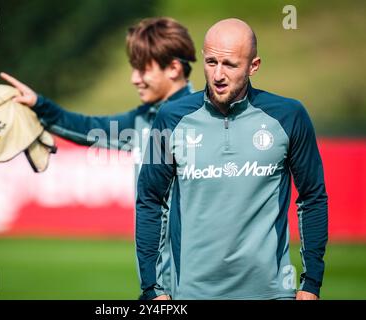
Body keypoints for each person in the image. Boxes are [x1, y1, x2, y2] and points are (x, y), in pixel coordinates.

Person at [0, 17, 196, 299]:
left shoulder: (204, 120)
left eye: (143, 69)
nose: (134, 78)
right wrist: (40, 106)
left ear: (174, 68)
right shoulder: (142, 120)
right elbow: (90, 128)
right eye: (133, 68)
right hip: (157, 289)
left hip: (192, 288)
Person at [136, 18, 328, 300]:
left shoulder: (289, 116)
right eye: (211, 62)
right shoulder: (170, 117)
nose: (218, 75)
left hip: (271, 294)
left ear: (254, 66)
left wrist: (311, 283)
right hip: (190, 295)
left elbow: (313, 197)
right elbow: (150, 199)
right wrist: (152, 289)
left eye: (230, 65)